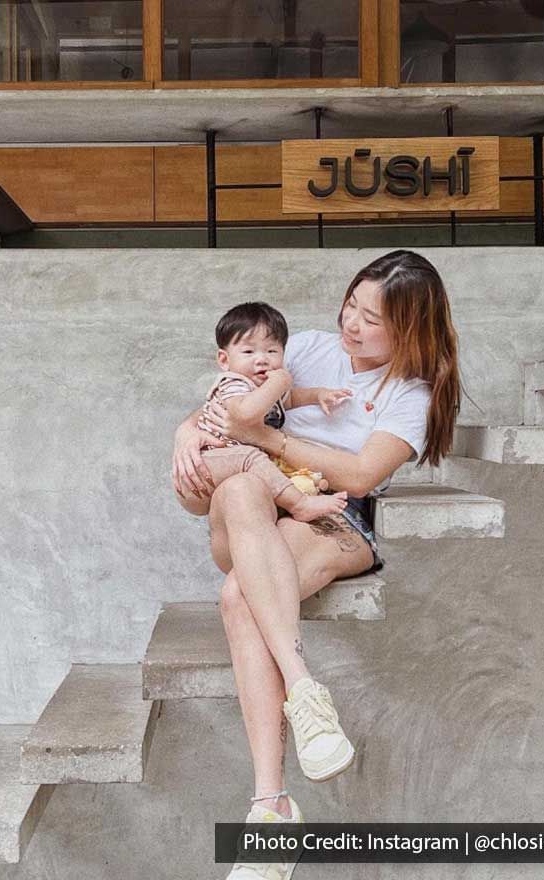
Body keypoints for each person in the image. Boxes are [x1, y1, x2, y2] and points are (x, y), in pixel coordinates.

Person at [171, 250, 461, 880]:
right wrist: (184, 430)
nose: (351, 325)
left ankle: (270, 810)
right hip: (253, 508)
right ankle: (305, 688)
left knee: (235, 599)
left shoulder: (410, 393)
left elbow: (359, 475)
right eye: (351, 305)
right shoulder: (301, 347)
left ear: (409, 330)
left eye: (372, 319)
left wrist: (269, 440)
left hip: (337, 516)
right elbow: (224, 405)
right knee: (244, 484)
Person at [193, 300, 355, 524]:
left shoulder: (266, 388)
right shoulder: (233, 383)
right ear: (224, 359)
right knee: (253, 458)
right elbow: (245, 414)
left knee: (275, 464)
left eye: (272, 351)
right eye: (248, 351)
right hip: (212, 459)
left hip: (241, 463)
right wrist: (278, 383)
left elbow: (289, 400)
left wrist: (318, 394)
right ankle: (300, 505)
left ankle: (308, 487)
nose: (262, 359)